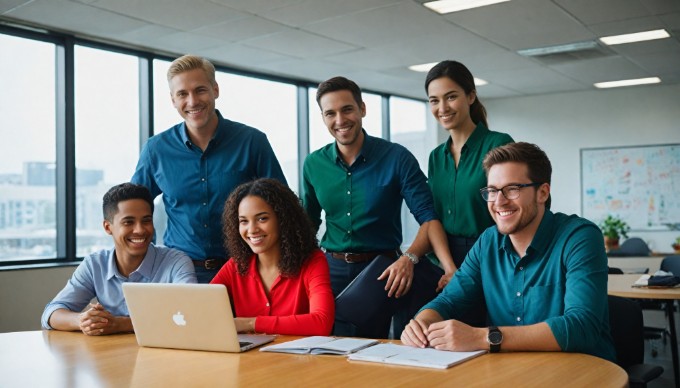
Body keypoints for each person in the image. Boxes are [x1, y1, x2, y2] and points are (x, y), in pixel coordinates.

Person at [401, 142, 616, 362]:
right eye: (492, 191)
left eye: (512, 189)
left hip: (582, 373)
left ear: (542, 193)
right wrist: (421, 323)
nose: (499, 201)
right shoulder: (488, 242)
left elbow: (581, 327)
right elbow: (448, 302)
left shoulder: (579, 237)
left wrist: (482, 337)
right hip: (510, 372)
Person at [301, 76, 456, 338]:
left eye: (347, 109)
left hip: (384, 271)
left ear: (362, 108)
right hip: (330, 270)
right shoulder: (313, 163)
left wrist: (410, 257)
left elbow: (428, 217)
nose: (340, 120)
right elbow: (308, 223)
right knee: (326, 349)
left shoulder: (396, 157)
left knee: (377, 349)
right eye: (330, 113)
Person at [131, 54, 287, 283]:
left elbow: (281, 205)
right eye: (182, 94)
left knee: (242, 322)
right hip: (179, 271)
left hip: (245, 270)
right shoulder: (156, 149)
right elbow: (134, 207)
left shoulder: (252, 142)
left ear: (215, 90)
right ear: (173, 100)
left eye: (200, 90)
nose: (192, 101)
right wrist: (146, 259)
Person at [420, 60, 514, 327]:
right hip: (443, 258)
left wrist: (463, 271)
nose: (443, 108)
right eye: (434, 100)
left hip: (489, 253)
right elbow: (432, 216)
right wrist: (450, 267)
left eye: (451, 97)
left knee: (484, 334)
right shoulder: (436, 157)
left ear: (471, 96)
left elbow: (511, 205)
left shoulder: (498, 144)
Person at [41, 183, 196, 335]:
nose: (140, 230)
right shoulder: (95, 264)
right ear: (108, 227)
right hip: (110, 356)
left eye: (146, 220)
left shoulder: (177, 262)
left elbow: (191, 314)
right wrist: (82, 320)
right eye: (128, 222)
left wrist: (120, 324)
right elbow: (51, 313)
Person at [210, 178, 334, 336]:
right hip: (250, 358)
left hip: (298, 358)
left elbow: (321, 323)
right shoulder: (236, 265)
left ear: (283, 220)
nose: (252, 229)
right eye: (244, 221)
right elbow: (201, 307)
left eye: (262, 219)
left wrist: (250, 323)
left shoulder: (313, 261)